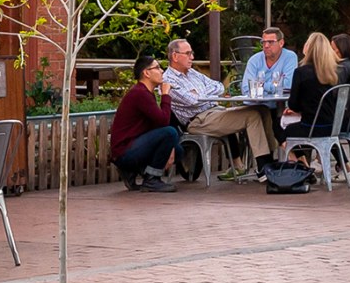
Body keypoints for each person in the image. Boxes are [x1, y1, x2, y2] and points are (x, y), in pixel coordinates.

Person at [172, 35, 281, 177]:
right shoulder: (169, 79)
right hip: (198, 120)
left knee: (262, 110)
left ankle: (271, 159)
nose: (192, 57)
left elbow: (219, 87)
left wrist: (200, 92)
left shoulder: (193, 73)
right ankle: (263, 167)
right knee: (252, 115)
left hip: (215, 112)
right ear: (175, 56)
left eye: (191, 53)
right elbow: (191, 100)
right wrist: (202, 94)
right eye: (188, 53)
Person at [107, 53, 180, 191]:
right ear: (146, 73)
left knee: (179, 150)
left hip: (135, 146)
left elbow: (157, 123)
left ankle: (133, 171)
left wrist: (171, 146)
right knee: (170, 132)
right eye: (157, 68)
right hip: (125, 152)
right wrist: (165, 95)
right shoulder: (140, 93)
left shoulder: (145, 92)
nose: (162, 71)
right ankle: (151, 179)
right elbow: (164, 121)